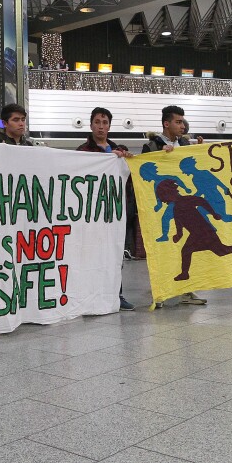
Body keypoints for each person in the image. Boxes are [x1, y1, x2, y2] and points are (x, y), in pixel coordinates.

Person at [142, 105, 206, 307]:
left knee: (186, 245)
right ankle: (160, 293)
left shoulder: (186, 143)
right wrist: (162, 157)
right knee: (162, 250)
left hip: (185, 205)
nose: (182, 125)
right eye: (178, 122)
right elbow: (145, 177)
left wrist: (201, 149)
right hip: (163, 205)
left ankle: (187, 289)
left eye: (182, 121)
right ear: (166, 123)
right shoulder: (151, 147)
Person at [76, 107, 135, 311]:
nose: (101, 127)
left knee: (115, 255)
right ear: (91, 124)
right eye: (97, 122)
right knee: (91, 255)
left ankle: (116, 295)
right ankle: (88, 295)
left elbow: (128, 182)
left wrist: (125, 161)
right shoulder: (83, 152)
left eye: (105, 123)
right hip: (92, 215)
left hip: (115, 213)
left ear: (109, 126)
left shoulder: (119, 151)